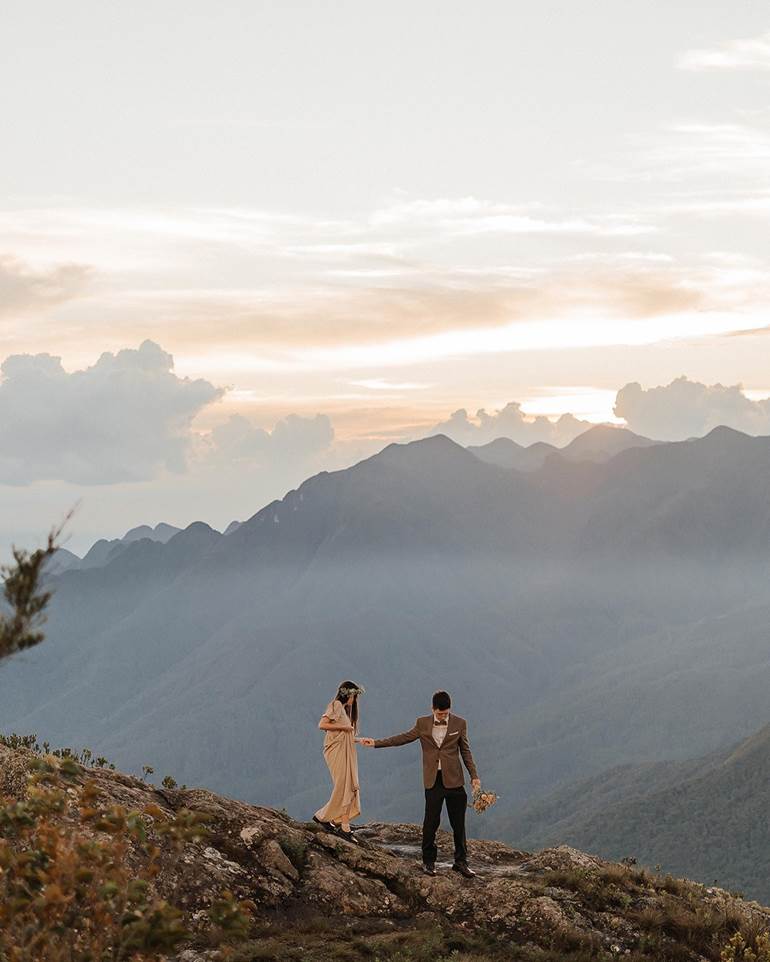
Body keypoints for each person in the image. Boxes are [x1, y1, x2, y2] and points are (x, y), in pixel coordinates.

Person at [360, 690, 480, 877]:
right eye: (439, 713)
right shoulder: (422, 723)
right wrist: (376, 743)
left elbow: (466, 751)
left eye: (445, 713)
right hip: (433, 780)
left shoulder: (460, 723)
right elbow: (402, 738)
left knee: (459, 824)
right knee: (430, 822)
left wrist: (474, 776)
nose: (443, 716)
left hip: (455, 780)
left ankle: (461, 862)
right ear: (432, 709)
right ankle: (429, 862)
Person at [314, 680, 367, 843]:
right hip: (335, 751)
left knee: (348, 785)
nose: (355, 700)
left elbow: (343, 735)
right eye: (354, 696)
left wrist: (358, 740)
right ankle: (326, 818)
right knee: (342, 784)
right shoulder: (336, 705)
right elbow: (322, 724)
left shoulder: (343, 710)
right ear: (348, 694)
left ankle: (342, 823)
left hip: (344, 750)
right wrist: (345, 728)